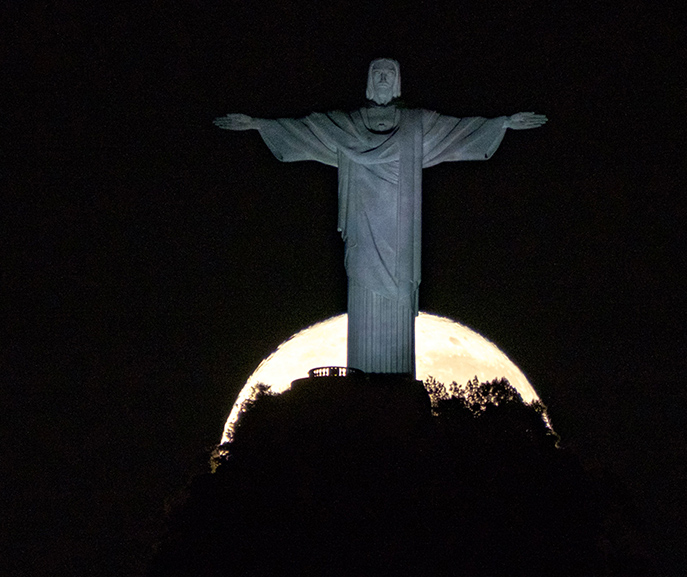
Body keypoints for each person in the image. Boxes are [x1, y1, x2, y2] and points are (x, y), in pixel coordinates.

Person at [214, 58, 546, 377]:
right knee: (361, 283)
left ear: (398, 80)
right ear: (370, 81)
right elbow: (309, 130)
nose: (384, 78)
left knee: (399, 293)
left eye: (390, 73)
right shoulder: (349, 125)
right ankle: (364, 381)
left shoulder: (417, 124)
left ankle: (396, 385)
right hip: (363, 226)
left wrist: (501, 123)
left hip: (400, 231)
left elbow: (457, 133)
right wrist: (260, 124)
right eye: (378, 73)